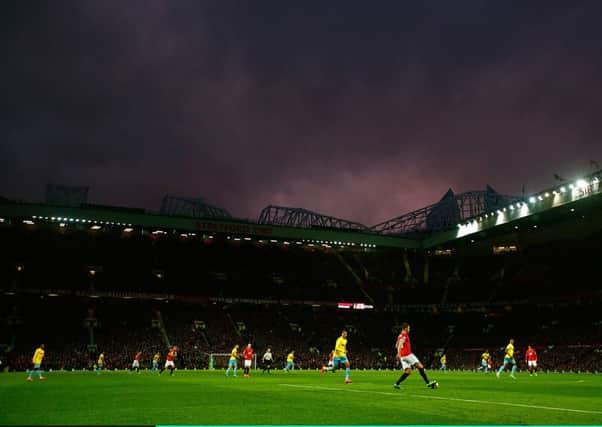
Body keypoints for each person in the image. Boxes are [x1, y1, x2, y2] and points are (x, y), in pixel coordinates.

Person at [392, 323, 438, 390]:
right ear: (405, 328)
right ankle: (428, 383)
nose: (409, 329)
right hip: (407, 354)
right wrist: (399, 353)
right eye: (408, 328)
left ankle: (397, 384)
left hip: (402, 356)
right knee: (420, 366)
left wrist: (399, 353)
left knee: (408, 371)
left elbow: (397, 345)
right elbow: (400, 344)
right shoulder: (404, 335)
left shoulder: (399, 336)